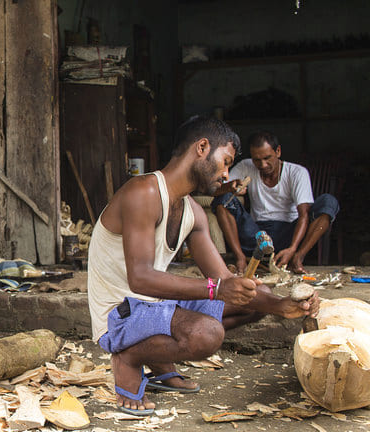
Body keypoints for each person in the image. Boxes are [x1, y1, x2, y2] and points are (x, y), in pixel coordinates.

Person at [87, 116, 319, 416]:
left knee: (254, 300)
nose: (226, 174)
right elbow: (141, 279)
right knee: (206, 334)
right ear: (202, 147)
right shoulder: (143, 192)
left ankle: (157, 359)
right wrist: (219, 289)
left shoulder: (192, 211)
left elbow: (223, 280)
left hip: (151, 306)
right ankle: (129, 357)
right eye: (225, 162)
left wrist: (282, 305)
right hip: (119, 314)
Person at [211, 131, 339, 274]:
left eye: (267, 158)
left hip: (289, 233)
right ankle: (241, 258)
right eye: (257, 160)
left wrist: (293, 248)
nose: (263, 164)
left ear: (278, 152)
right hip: (257, 236)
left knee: (328, 202)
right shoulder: (246, 166)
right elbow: (213, 189)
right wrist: (230, 186)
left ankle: (297, 258)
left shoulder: (297, 172)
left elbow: (304, 215)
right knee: (223, 199)